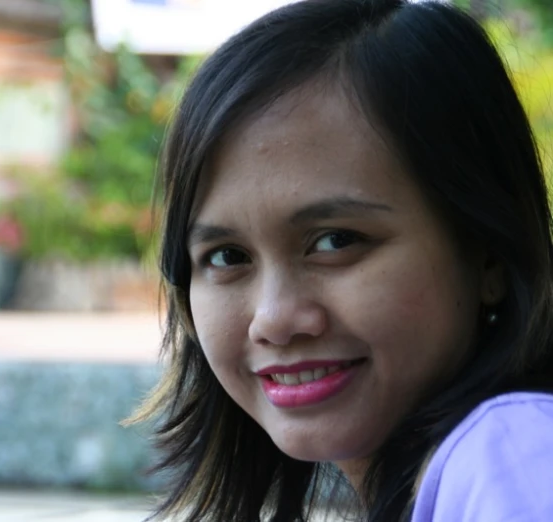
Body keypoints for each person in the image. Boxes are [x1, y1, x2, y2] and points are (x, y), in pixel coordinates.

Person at [128, 0, 553, 520]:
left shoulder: (512, 455)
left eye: (335, 241)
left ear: (487, 253)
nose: (276, 319)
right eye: (228, 255)